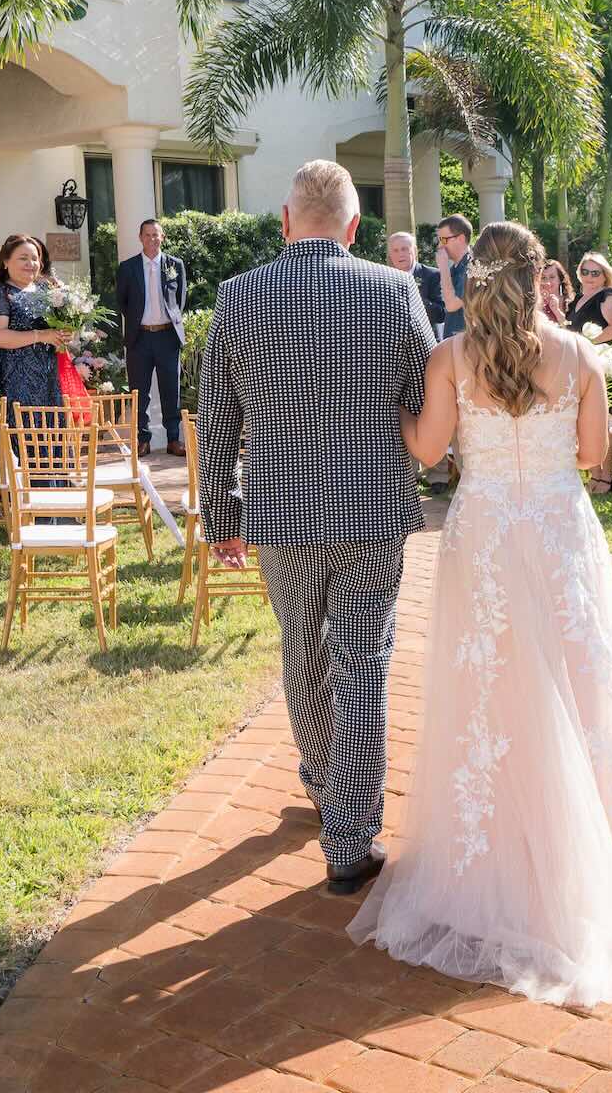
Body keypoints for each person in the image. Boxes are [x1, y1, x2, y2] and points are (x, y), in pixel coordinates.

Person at [348, 220, 612, 1005]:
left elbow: (428, 452)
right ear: (538, 277)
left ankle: (496, 862)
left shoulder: (449, 356)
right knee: (575, 682)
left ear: (475, 278)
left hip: (487, 536)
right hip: (561, 533)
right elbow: (594, 457)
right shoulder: (579, 353)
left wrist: (389, 414)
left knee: (492, 693)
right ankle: (582, 857)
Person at [198, 160, 436, 896]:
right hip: (371, 512)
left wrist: (220, 516)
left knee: (301, 652)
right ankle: (348, 836)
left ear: (285, 219)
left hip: (281, 514)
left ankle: (325, 781)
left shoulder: (238, 297)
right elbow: (425, 396)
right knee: (362, 664)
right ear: (355, 226)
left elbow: (215, 422)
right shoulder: (395, 291)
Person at [115, 218, 187, 457]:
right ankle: (142, 440)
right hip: (140, 338)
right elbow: (122, 302)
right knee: (140, 391)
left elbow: (180, 300)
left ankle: (173, 440)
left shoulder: (175, 264)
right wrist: (139, 322)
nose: (152, 239)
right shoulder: (128, 267)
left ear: (163, 237)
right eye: (147, 235)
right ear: (140, 238)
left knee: (171, 390)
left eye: (156, 235)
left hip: (167, 337)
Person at [0, 233, 68, 423]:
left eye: (35, 258)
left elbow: (55, 329)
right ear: (6, 262)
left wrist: (62, 334)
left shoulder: (47, 292)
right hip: (16, 378)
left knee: (52, 432)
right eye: (23, 258)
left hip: (47, 376)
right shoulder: (0, 294)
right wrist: (41, 335)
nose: (31, 263)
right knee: (24, 434)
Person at [567, 253, 612, 494]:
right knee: (584, 423)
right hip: (581, 366)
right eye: (585, 272)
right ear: (579, 273)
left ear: (604, 276)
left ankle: (606, 477)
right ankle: (594, 474)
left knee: (603, 424)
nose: (590, 277)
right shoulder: (578, 299)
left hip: (604, 367)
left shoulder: (607, 296)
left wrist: (588, 343)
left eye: (596, 272)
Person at [388, 230, 445, 336]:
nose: (400, 254)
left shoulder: (432, 275)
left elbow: (441, 314)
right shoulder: (385, 277)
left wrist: (414, 296)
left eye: (404, 249)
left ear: (414, 250)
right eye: (395, 250)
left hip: (425, 338)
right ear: (390, 255)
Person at [435, 215, 472, 340]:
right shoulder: (455, 268)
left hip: (467, 342)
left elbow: (452, 305)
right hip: (455, 341)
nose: (440, 245)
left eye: (444, 240)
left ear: (461, 238)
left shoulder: (472, 266)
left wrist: (443, 267)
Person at [538, 258, 574, 325]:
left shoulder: (571, 303)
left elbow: (570, 327)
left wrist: (556, 311)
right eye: (543, 278)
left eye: (552, 277)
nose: (547, 282)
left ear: (560, 279)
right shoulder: (536, 304)